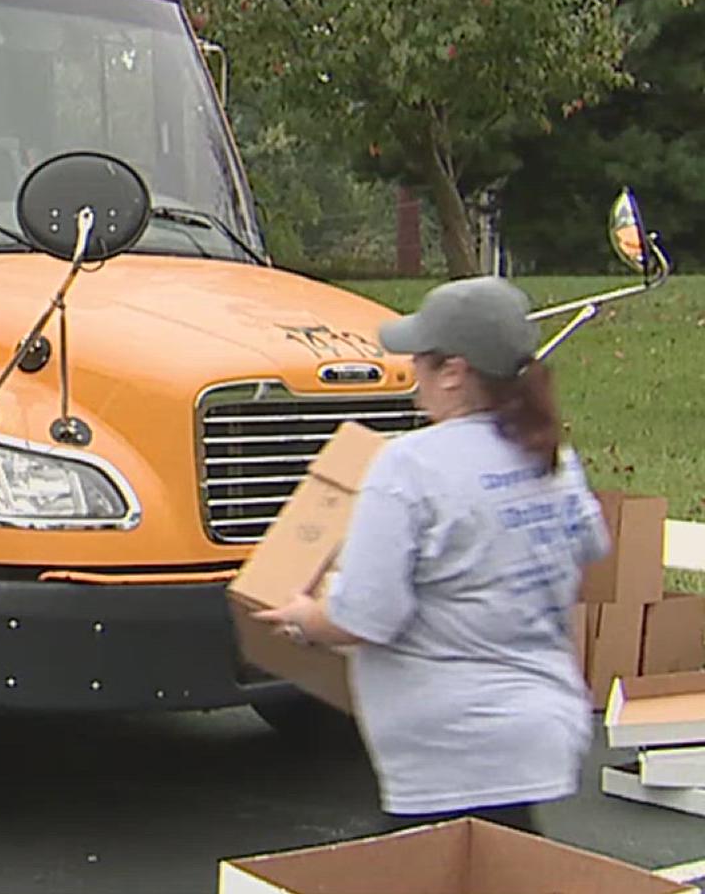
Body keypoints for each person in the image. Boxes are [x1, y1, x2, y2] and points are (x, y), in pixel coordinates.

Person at [254, 276, 608, 835]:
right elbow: (591, 543)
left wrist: (302, 618)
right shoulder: (548, 453)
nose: (410, 373)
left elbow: (366, 617)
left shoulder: (410, 466)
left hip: (447, 747)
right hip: (538, 727)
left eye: (419, 358)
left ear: (454, 371)